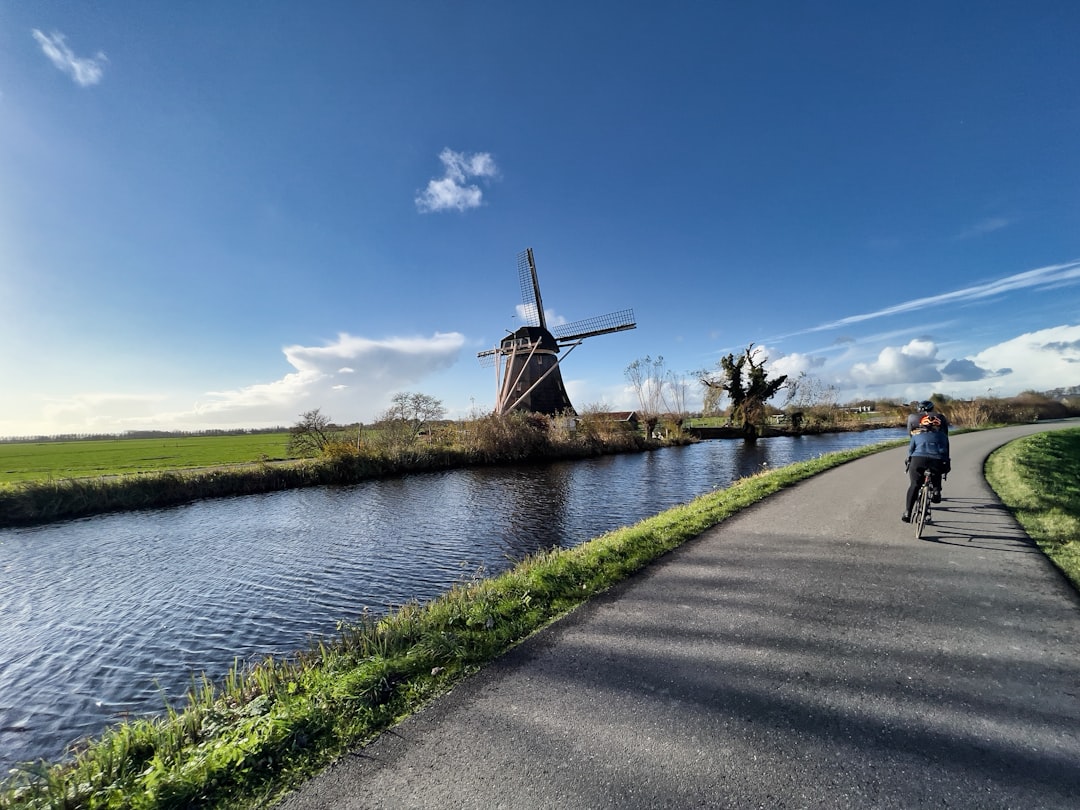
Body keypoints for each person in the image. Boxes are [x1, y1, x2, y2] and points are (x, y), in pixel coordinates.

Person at [902, 400, 951, 522]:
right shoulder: (941, 426)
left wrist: (909, 460)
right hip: (938, 458)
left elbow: (911, 447)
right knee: (937, 470)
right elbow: (945, 448)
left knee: (915, 484)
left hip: (918, 458)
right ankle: (936, 491)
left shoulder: (914, 426)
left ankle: (908, 512)